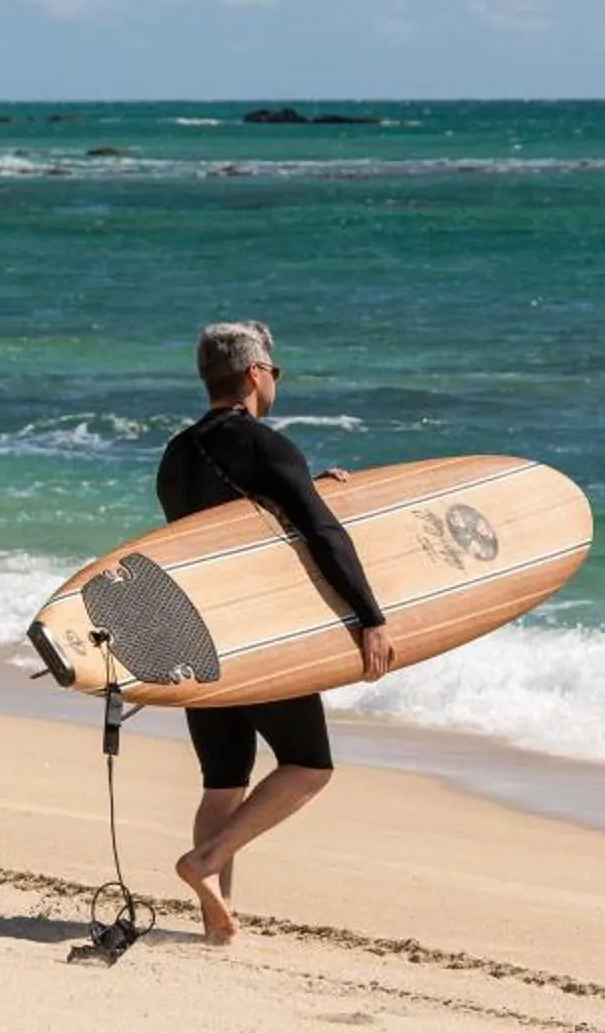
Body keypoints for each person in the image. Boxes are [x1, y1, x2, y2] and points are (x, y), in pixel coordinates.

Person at [156, 319, 394, 944]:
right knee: (308, 765)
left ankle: (217, 920)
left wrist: (302, 490)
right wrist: (369, 616)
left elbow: (226, 530)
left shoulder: (176, 456)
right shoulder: (267, 446)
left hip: (200, 638)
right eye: (276, 372)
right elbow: (322, 533)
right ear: (257, 374)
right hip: (259, 637)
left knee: (224, 781)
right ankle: (203, 865)